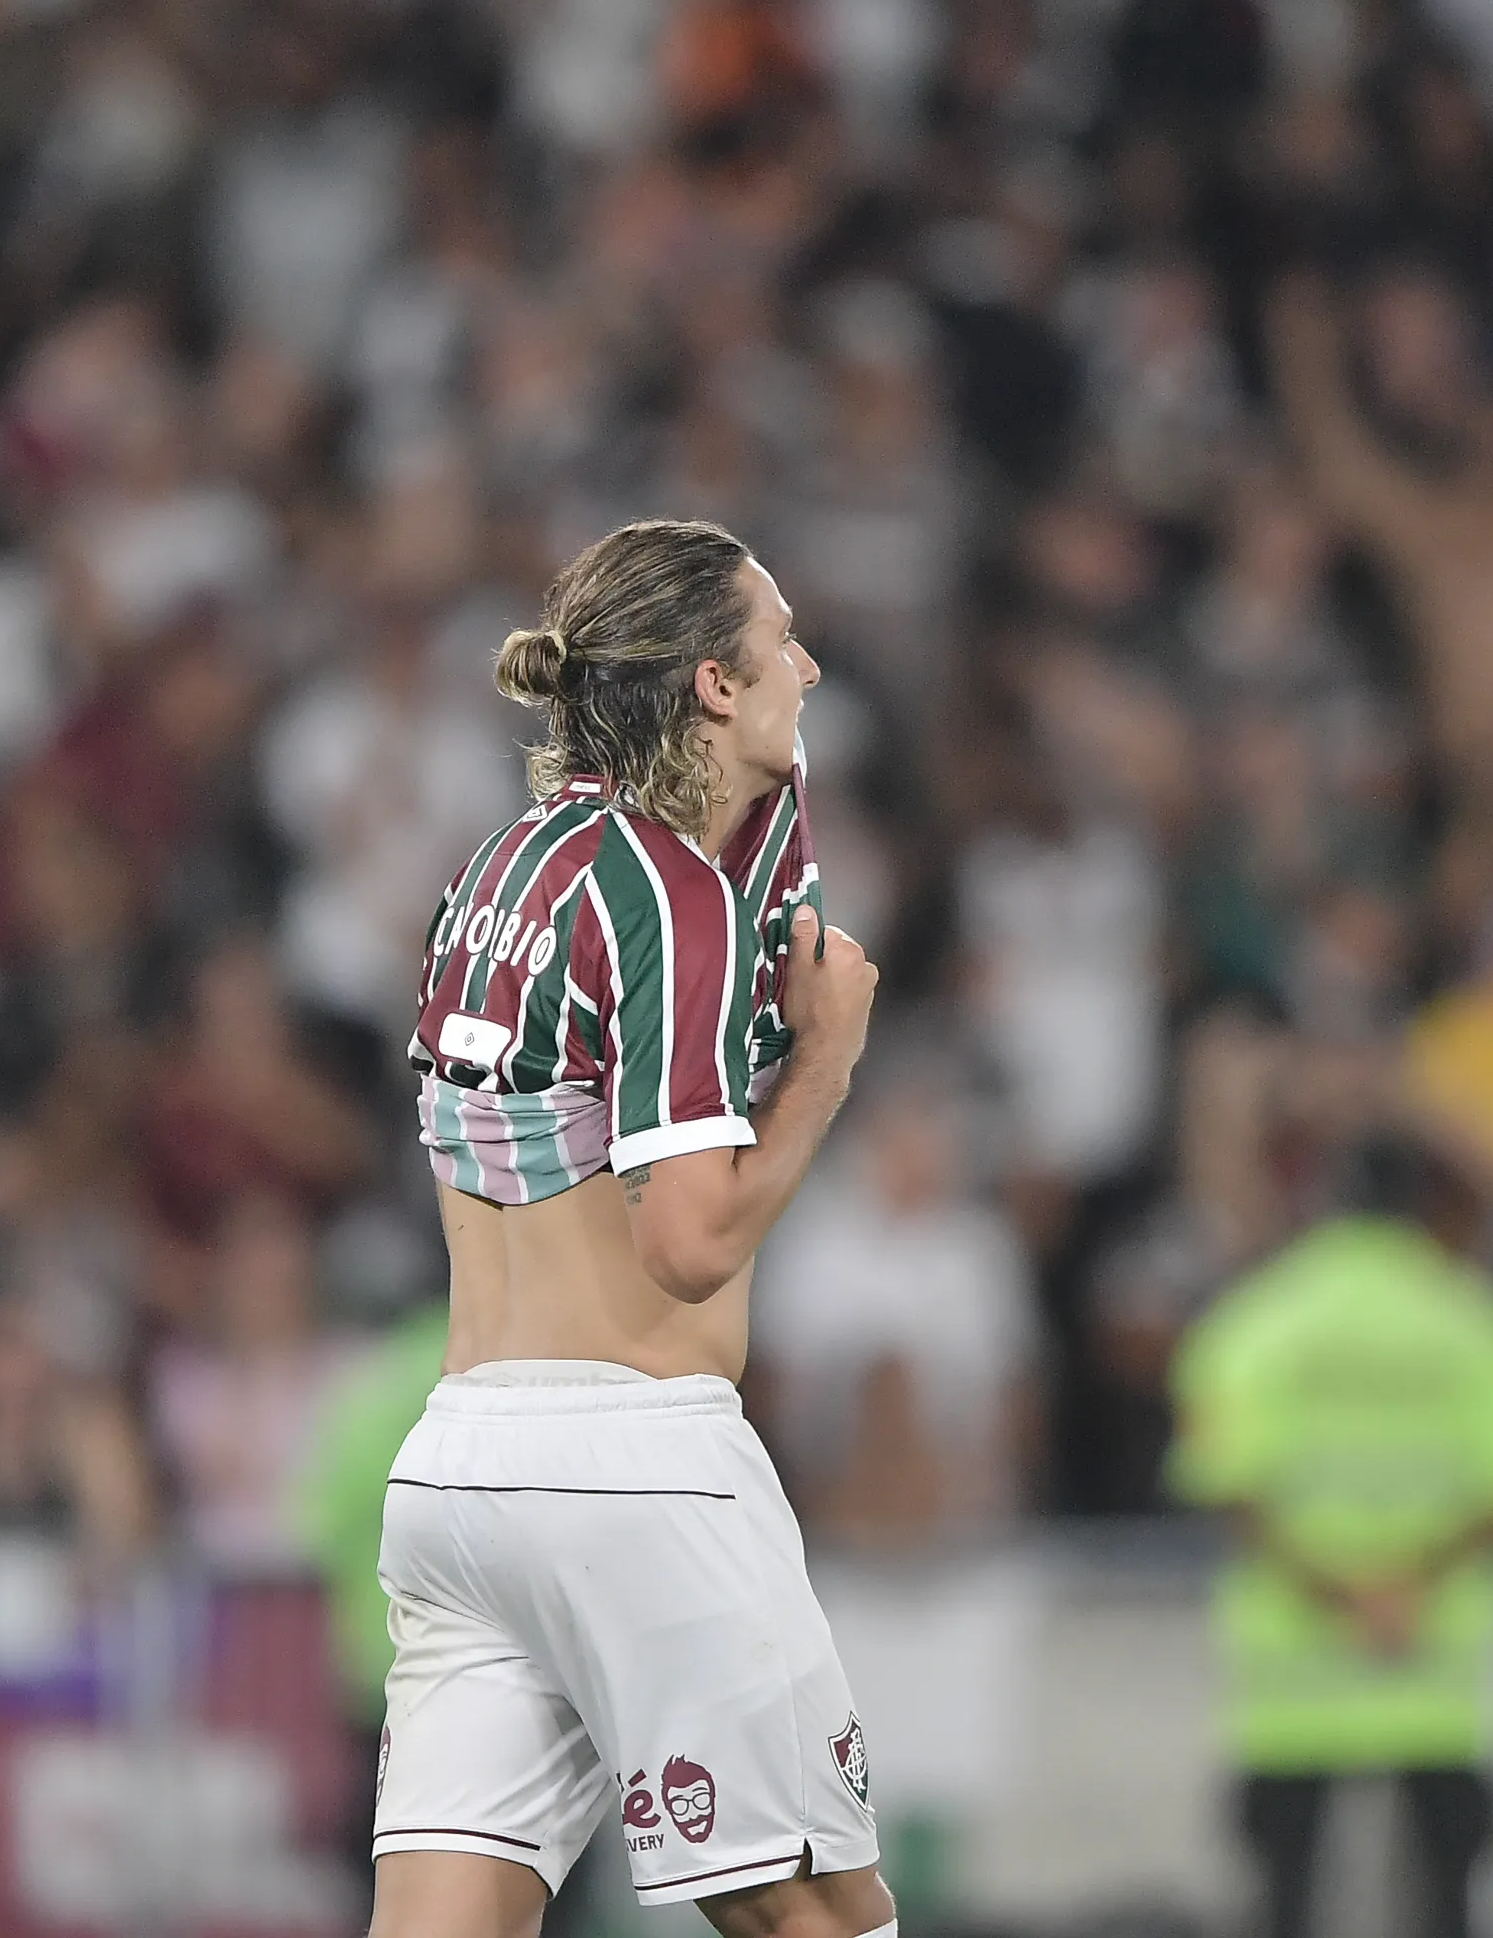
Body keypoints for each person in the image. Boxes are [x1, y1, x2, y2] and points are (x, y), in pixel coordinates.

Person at [368, 518, 894, 1938]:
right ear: (715, 684)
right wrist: (827, 1066)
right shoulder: (670, 891)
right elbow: (689, 1244)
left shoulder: (499, 868)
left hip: (460, 1472)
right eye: (782, 636)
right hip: (633, 1463)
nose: (812, 665)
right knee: (824, 1922)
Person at [1167, 1139, 1493, 1938]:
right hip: (1438, 1664)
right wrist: (1408, 1587)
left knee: (1284, 1896)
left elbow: (1225, 1484)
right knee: (1450, 1898)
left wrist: (1336, 1590)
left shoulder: (1261, 1317)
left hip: (1293, 1667)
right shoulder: (1477, 1319)